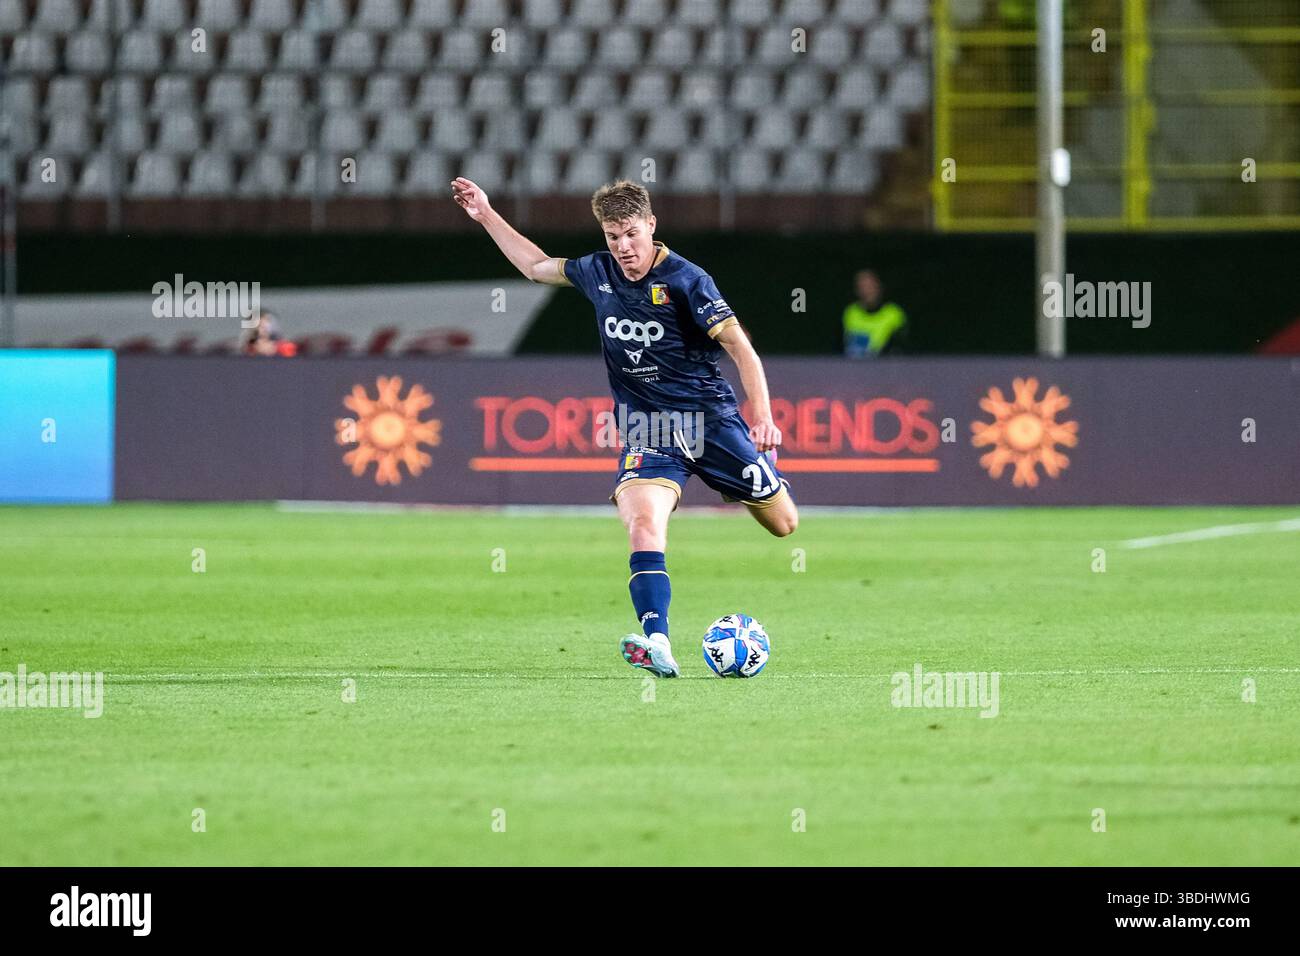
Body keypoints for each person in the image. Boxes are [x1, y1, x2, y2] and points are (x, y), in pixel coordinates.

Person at [452, 176, 797, 678]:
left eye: (631, 234)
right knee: (642, 526)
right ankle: (658, 641)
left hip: (711, 424)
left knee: (784, 525)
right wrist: (484, 212)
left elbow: (739, 347)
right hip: (647, 431)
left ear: (651, 226)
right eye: (613, 237)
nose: (623, 247)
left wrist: (761, 417)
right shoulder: (597, 272)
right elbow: (534, 265)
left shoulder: (687, 280)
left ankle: (753, 476)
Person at [842, 270, 908, 358]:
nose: (867, 291)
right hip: (857, 365)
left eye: (870, 286)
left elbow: (901, 348)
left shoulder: (894, 313)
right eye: (862, 287)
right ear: (857, 290)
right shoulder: (850, 313)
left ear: (879, 287)